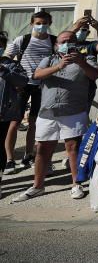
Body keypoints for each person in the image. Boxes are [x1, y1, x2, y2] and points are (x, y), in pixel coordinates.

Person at [9, 31, 98, 204]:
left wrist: (80, 62)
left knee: (73, 148)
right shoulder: (49, 59)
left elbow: (94, 75)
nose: (68, 44)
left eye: (71, 41)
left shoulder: (86, 58)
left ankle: (76, 184)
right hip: (47, 113)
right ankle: (37, 186)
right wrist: (59, 66)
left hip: (74, 111)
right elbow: (36, 75)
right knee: (42, 149)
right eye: (63, 41)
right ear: (56, 45)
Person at [2, 11, 56, 174]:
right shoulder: (23, 39)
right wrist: (13, 78)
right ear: (32, 23)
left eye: (45, 23)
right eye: (38, 22)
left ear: (49, 24)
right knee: (14, 122)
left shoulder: (53, 41)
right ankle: (9, 159)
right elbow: (7, 57)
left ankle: (28, 155)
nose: (41, 26)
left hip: (42, 86)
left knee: (34, 122)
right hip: (21, 86)